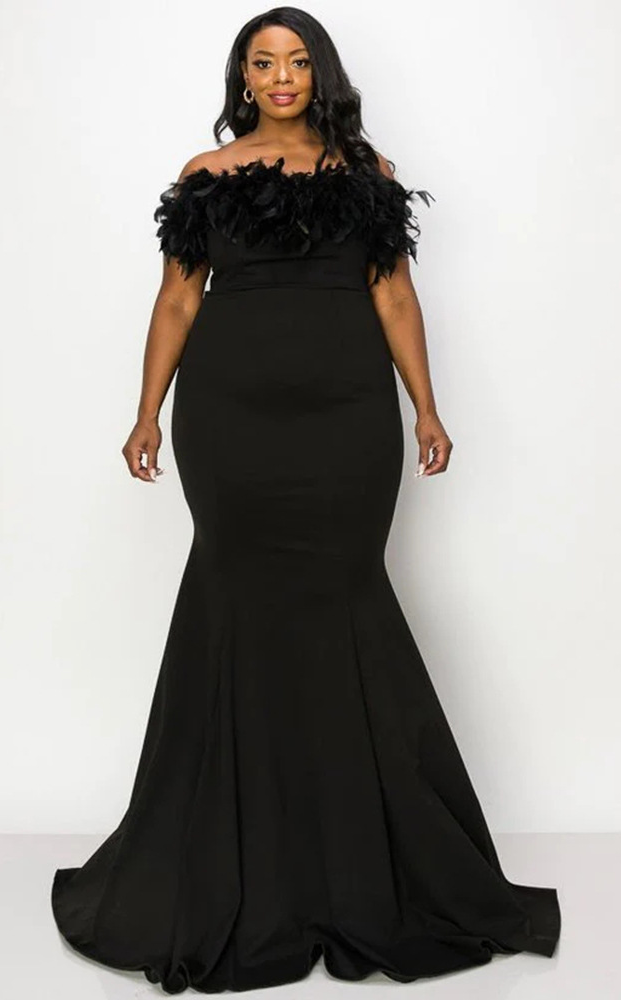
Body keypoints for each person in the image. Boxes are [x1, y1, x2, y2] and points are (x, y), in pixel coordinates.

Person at [51, 6, 560, 993]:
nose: (280, 76)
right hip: (230, 421)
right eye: (262, 62)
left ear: (319, 73)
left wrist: (426, 407)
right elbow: (178, 298)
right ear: (243, 79)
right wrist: (146, 412)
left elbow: (394, 295)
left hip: (346, 417)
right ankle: (237, 861)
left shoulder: (367, 175)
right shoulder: (205, 178)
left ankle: (361, 863)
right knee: (237, 602)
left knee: (342, 598)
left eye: (295, 61)